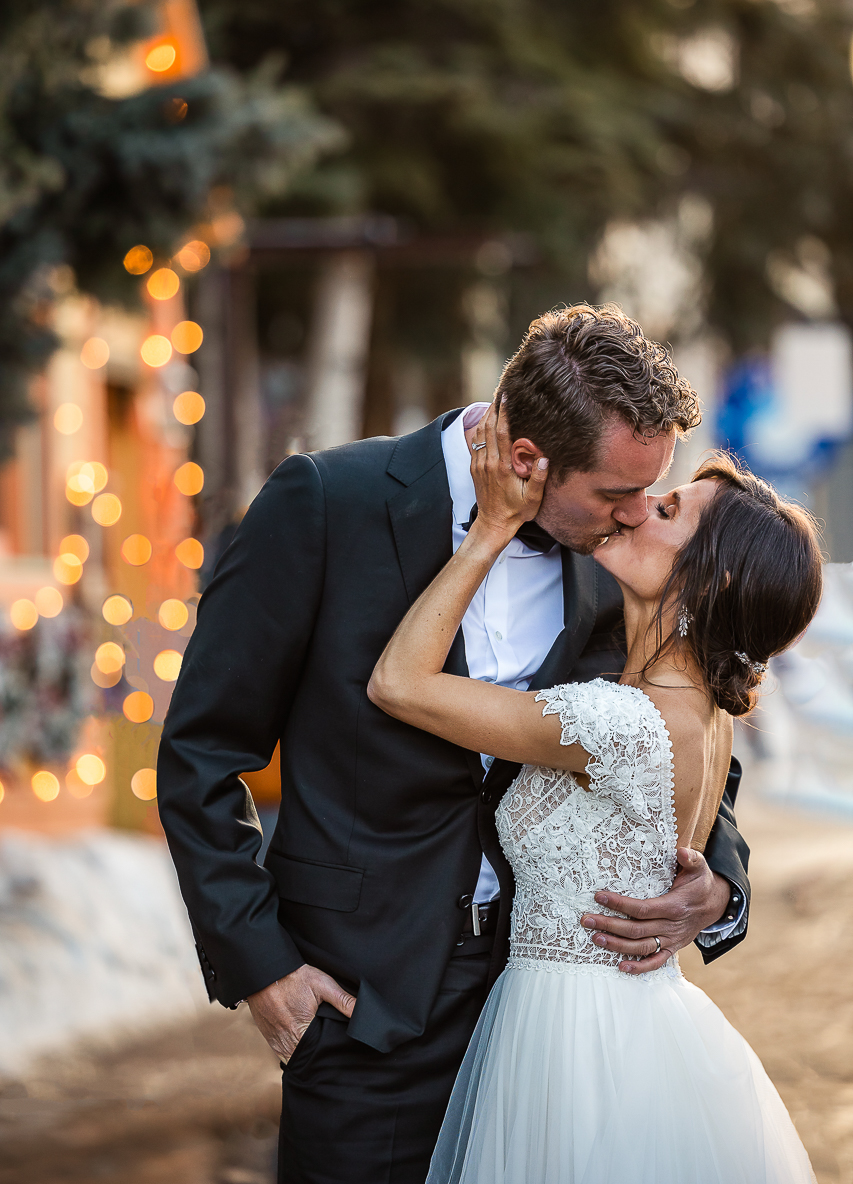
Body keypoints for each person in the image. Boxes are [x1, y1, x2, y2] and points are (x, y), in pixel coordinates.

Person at [157, 304, 751, 1184]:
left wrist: (718, 881)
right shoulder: (325, 503)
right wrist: (264, 968)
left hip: (545, 1010)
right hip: (364, 1005)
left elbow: (669, 725)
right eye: (615, 497)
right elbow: (202, 750)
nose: (633, 519)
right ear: (525, 461)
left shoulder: (615, 554)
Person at [367, 399, 822, 1183]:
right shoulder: (701, 710)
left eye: (669, 507)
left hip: (574, 1039)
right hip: (631, 1023)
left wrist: (489, 531)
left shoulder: (615, 721)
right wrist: (714, 886)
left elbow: (399, 683)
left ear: (706, 575)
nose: (642, 506)